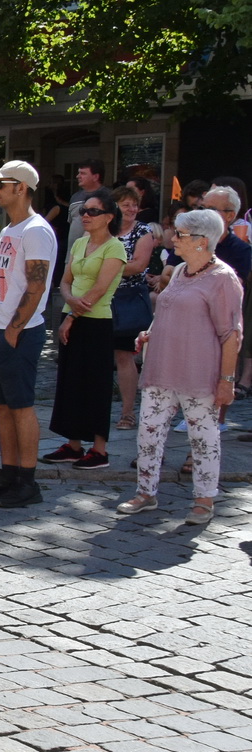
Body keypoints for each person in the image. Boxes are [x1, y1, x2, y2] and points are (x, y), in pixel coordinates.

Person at [116, 209, 242, 526]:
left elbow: (230, 335)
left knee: (203, 438)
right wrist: (151, 332)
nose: (173, 239)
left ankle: (204, 500)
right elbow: (168, 311)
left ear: (201, 241)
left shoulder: (223, 279)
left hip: (199, 373)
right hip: (162, 367)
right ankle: (146, 492)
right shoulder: (182, 269)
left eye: (181, 235)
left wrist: (227, 381)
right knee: (149, 433)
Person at [0, 161, 58, 509]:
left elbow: (36, 286)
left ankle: (27, 481)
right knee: (2, 408)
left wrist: (14, 328)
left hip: (18, 332)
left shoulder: (36, 230)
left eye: (1, 184)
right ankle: (8, 474)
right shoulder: (10, 231)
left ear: (21, 187)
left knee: (21, 408)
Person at [40, 191, 126, 470]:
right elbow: (65, 280)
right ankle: (74, 444)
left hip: (95, 322)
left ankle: (99, 450)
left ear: (109, 217)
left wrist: (70, 317)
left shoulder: (115, 248)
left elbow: (99, 289)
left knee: (96, 384)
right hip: (72, 314)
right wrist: (68, 301)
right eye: (83, 211)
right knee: (71, 381)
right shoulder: (79, 243)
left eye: (93, 211)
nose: (86, 216)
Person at [111, 184, 160, 429]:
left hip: (128, 299)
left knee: (124, 355)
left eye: (135, 204)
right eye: (126, 204)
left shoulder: (143, 231)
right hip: (100, 299)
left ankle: (128, 413)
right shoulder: (105, 229)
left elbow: (138, 265)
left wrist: (103, 266)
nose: (132, 209)